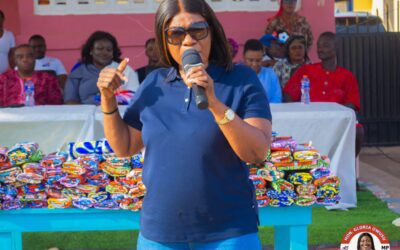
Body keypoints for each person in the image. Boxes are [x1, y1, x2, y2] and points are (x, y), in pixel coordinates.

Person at [97, 0, 272, 249]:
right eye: (176, 34)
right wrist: (107, 99)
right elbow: (125, 146)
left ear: (212, 31)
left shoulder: (241, 80)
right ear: (165, 42)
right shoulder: (154, 83)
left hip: (228, 232)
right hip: (160, 233)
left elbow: (257, 152)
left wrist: (214, 103)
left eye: (198, 30)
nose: (189, 41)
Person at [284, 32, 364, 157]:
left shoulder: (347, 76)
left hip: (336, 121)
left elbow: (352, 104)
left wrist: (334, 116)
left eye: (325, 45)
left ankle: (345, 166)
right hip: (308, 119)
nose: (320, 49)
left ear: (336, 47)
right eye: (318, 45)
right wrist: (297, 113)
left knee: (358, 131)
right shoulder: (306, 70)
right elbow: (288, 94)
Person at [64, 31, 139, 105]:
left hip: (117, 114)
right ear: (91, 51)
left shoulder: (126, 70)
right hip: (85, 115)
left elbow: (134, 98)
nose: (104, 53)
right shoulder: (78, 72)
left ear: (113, 53)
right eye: (100, 48)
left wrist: (112, 101)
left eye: (109, 50)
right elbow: (70, 102)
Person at [243, 39, 282, 103]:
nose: (254, 64)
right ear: (244, 58)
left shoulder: (271, 74)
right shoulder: (238, 75)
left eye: (258, 60)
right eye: (250, 60)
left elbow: (277, 98)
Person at [0, 10, 16, 74]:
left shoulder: (9, 35)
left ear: (3, 19)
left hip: (4, 74)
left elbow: (12, 55)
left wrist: (14, 70)